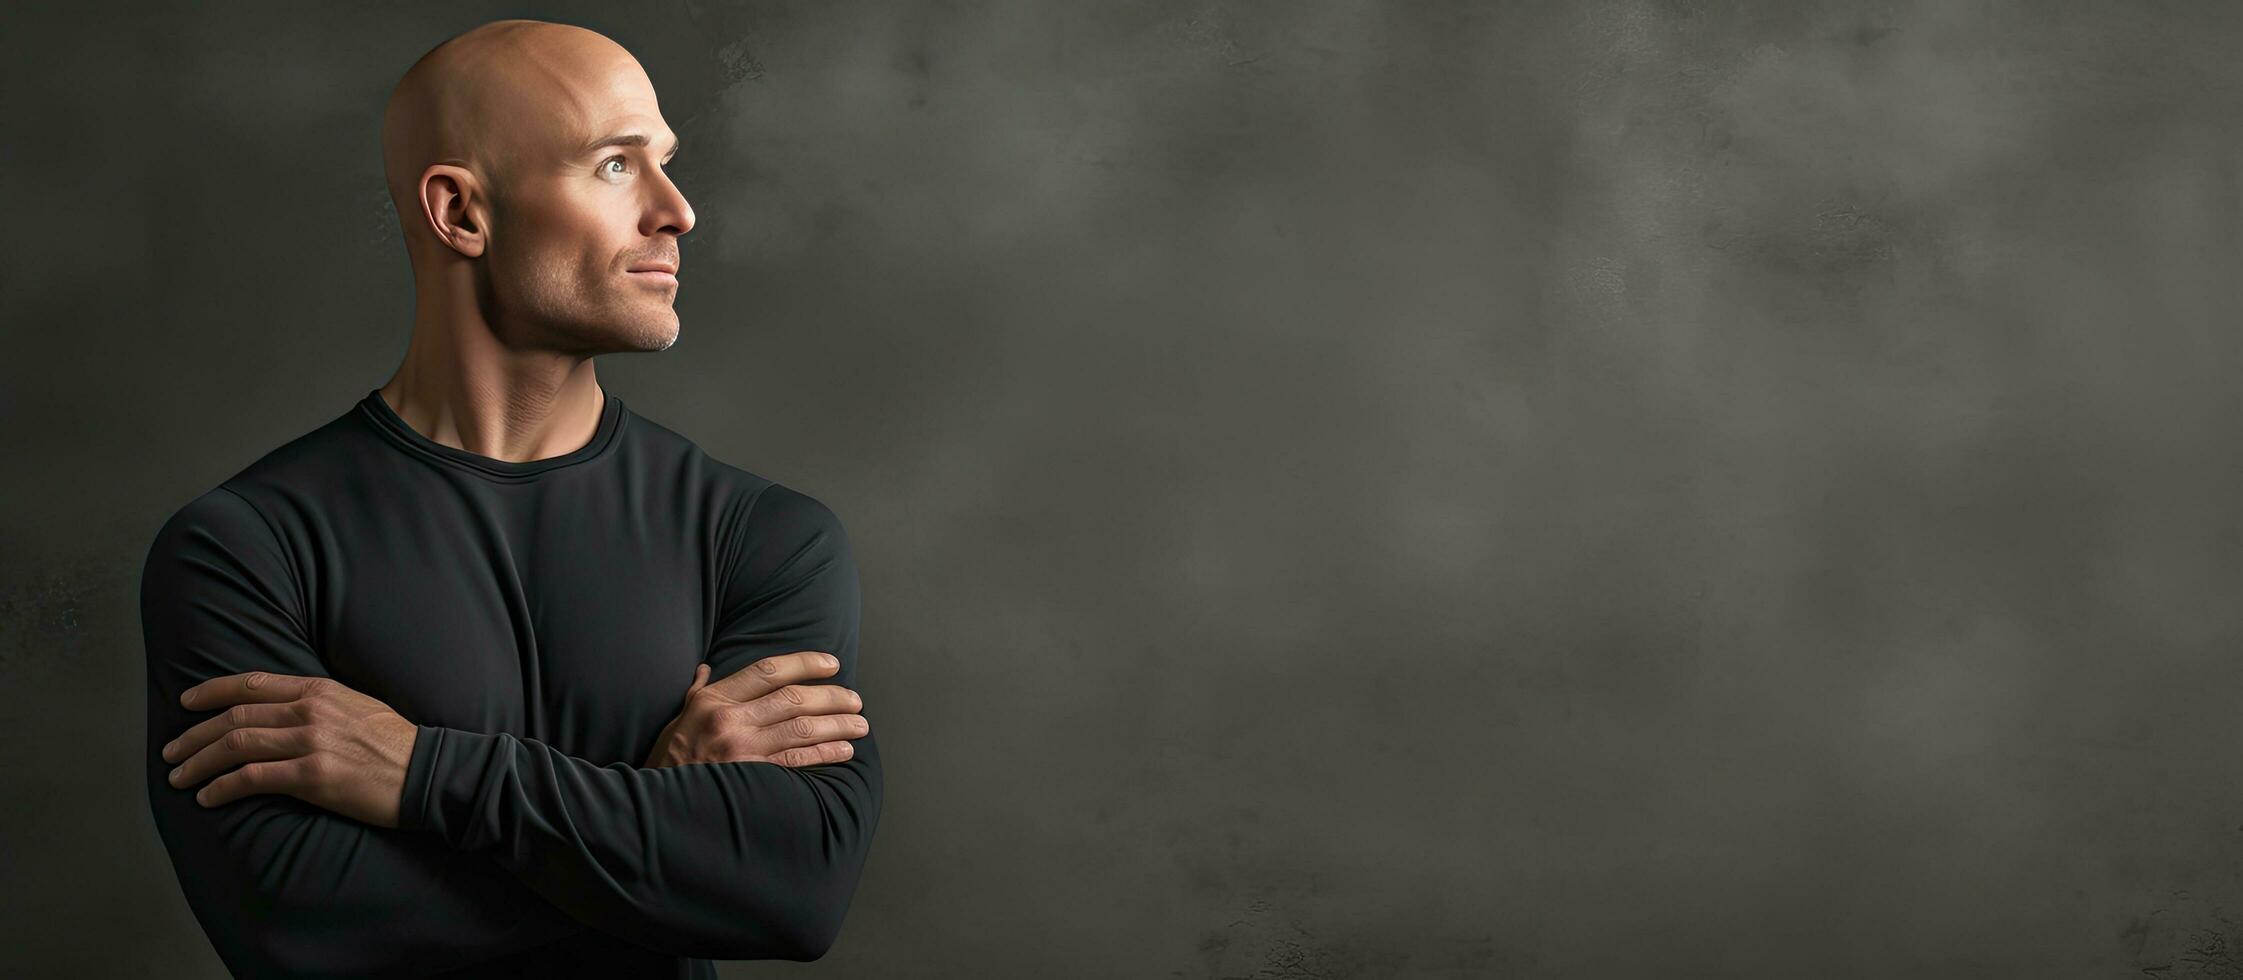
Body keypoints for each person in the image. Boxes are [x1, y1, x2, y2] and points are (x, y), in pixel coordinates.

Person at [138, 19, 881, 978]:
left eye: (665, 162)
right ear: (460, 213)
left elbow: (795, 891)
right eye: (616, 165)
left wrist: (420, 776)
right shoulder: (244, 546)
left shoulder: (765, 537)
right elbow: (296, 930)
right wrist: (660, 817)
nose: (679, 211)